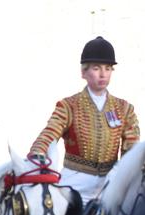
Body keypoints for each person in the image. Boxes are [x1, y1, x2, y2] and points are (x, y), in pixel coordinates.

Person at [31, 36, 140, 204]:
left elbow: (132, 149)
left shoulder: (125, 109)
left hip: (111, 184)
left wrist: (120, 172)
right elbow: (49, 135)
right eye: (96, 68)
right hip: (75, 183)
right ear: (84, 72)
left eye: (108, 68)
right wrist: (37, 155)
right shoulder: (68, 106)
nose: (103, 74)